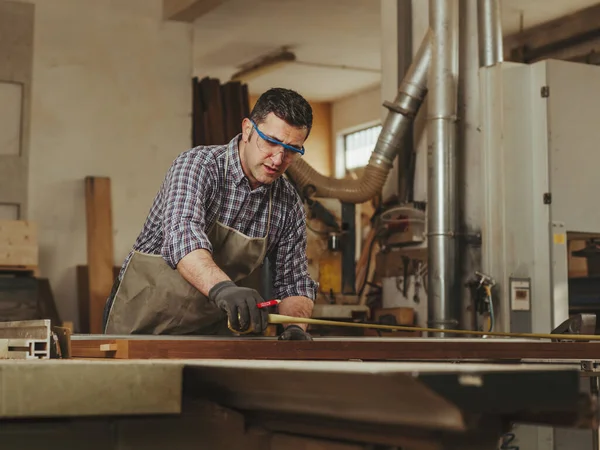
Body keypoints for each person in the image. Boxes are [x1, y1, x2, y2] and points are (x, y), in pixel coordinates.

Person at [102, 88, 317, 340]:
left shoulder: (288, 202)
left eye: (291, 149)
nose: (278, 159)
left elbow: (294, 280)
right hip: (141, 320)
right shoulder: (197, 165)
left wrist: (294, 328)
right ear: (247, 130)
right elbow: (183, 237)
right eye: (270, 142)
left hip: (208, 331)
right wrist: (224, 289)